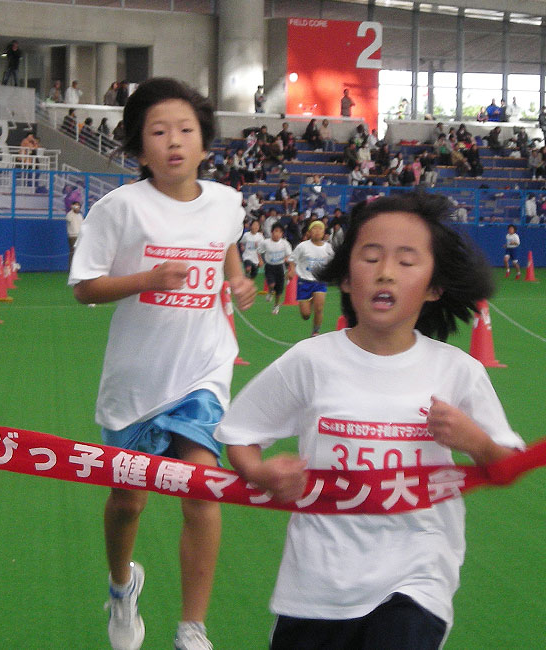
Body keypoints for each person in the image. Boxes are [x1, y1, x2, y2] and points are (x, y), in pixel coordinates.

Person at [216, 191, 525, 650]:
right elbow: (239, 435)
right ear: (344, 277)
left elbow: (507, 465)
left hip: (416, 579)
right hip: (317, 586)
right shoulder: (311, 362)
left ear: (435, 285)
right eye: (370, 257)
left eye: (406, 261)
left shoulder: (457, 371)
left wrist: (475, 441)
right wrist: (259, 472)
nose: (385, 272)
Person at [68, 77, 256, 650]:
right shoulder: (120, 209)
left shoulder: (226, 200)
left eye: (186, 130)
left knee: (202, 486)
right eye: (158, 131)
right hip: (135, 381)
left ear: (204, 143)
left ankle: (191, 628)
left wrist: (238, 278)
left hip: (203, 369)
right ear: (138, 147)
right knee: (129, 500)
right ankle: (122, 587)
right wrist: (147, 279)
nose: (174, 141)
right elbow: (84, 288)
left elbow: (225, 242)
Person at [288, 220, 334, 337]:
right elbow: (292, 260)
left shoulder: (328, 248)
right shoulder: (302, 246)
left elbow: (334, 262)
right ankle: (309, 301)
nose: (317, 231)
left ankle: (315, 332)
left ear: (324, 233)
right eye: (315, 228)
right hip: (304, 282)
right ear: (309, 232)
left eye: (320, 229)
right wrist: (292, 270)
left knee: (319, 308)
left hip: (320, 282)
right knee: (306, 315)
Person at [257, 222, 293, 315]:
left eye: (280, 232)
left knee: (279, 290)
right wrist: (260, 260)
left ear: (282, 234)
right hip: (269, 266)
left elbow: (289, 255)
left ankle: (276, 305)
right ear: (272, 232)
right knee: (272, 284)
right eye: (276, 231)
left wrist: (287, 260)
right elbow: (259, 251)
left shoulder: (285, 243)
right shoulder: (266, 242)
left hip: (280, 267)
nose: (278, 234)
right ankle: (269, 291)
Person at [65, 200, 83, 266]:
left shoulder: (80, 215)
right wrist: (72, 210)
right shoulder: (69, 214)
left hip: (79, 235)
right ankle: (71, 267)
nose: (77, 207)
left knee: (79, 252)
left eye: (78, 206)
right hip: (72, 236)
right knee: (73, 252)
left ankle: (78, 266)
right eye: (76, 205)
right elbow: (68, 219)